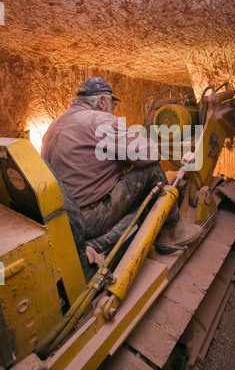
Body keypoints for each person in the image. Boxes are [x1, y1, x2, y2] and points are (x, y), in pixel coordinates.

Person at [41, 76, 180, 266]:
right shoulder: (100, 119)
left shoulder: (55, 123)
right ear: (101, 101)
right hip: (89, 219)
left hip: (61, 217)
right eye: (111, 105)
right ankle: (171, 232)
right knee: (152, 170)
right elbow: (150, 153)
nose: (111, 109)